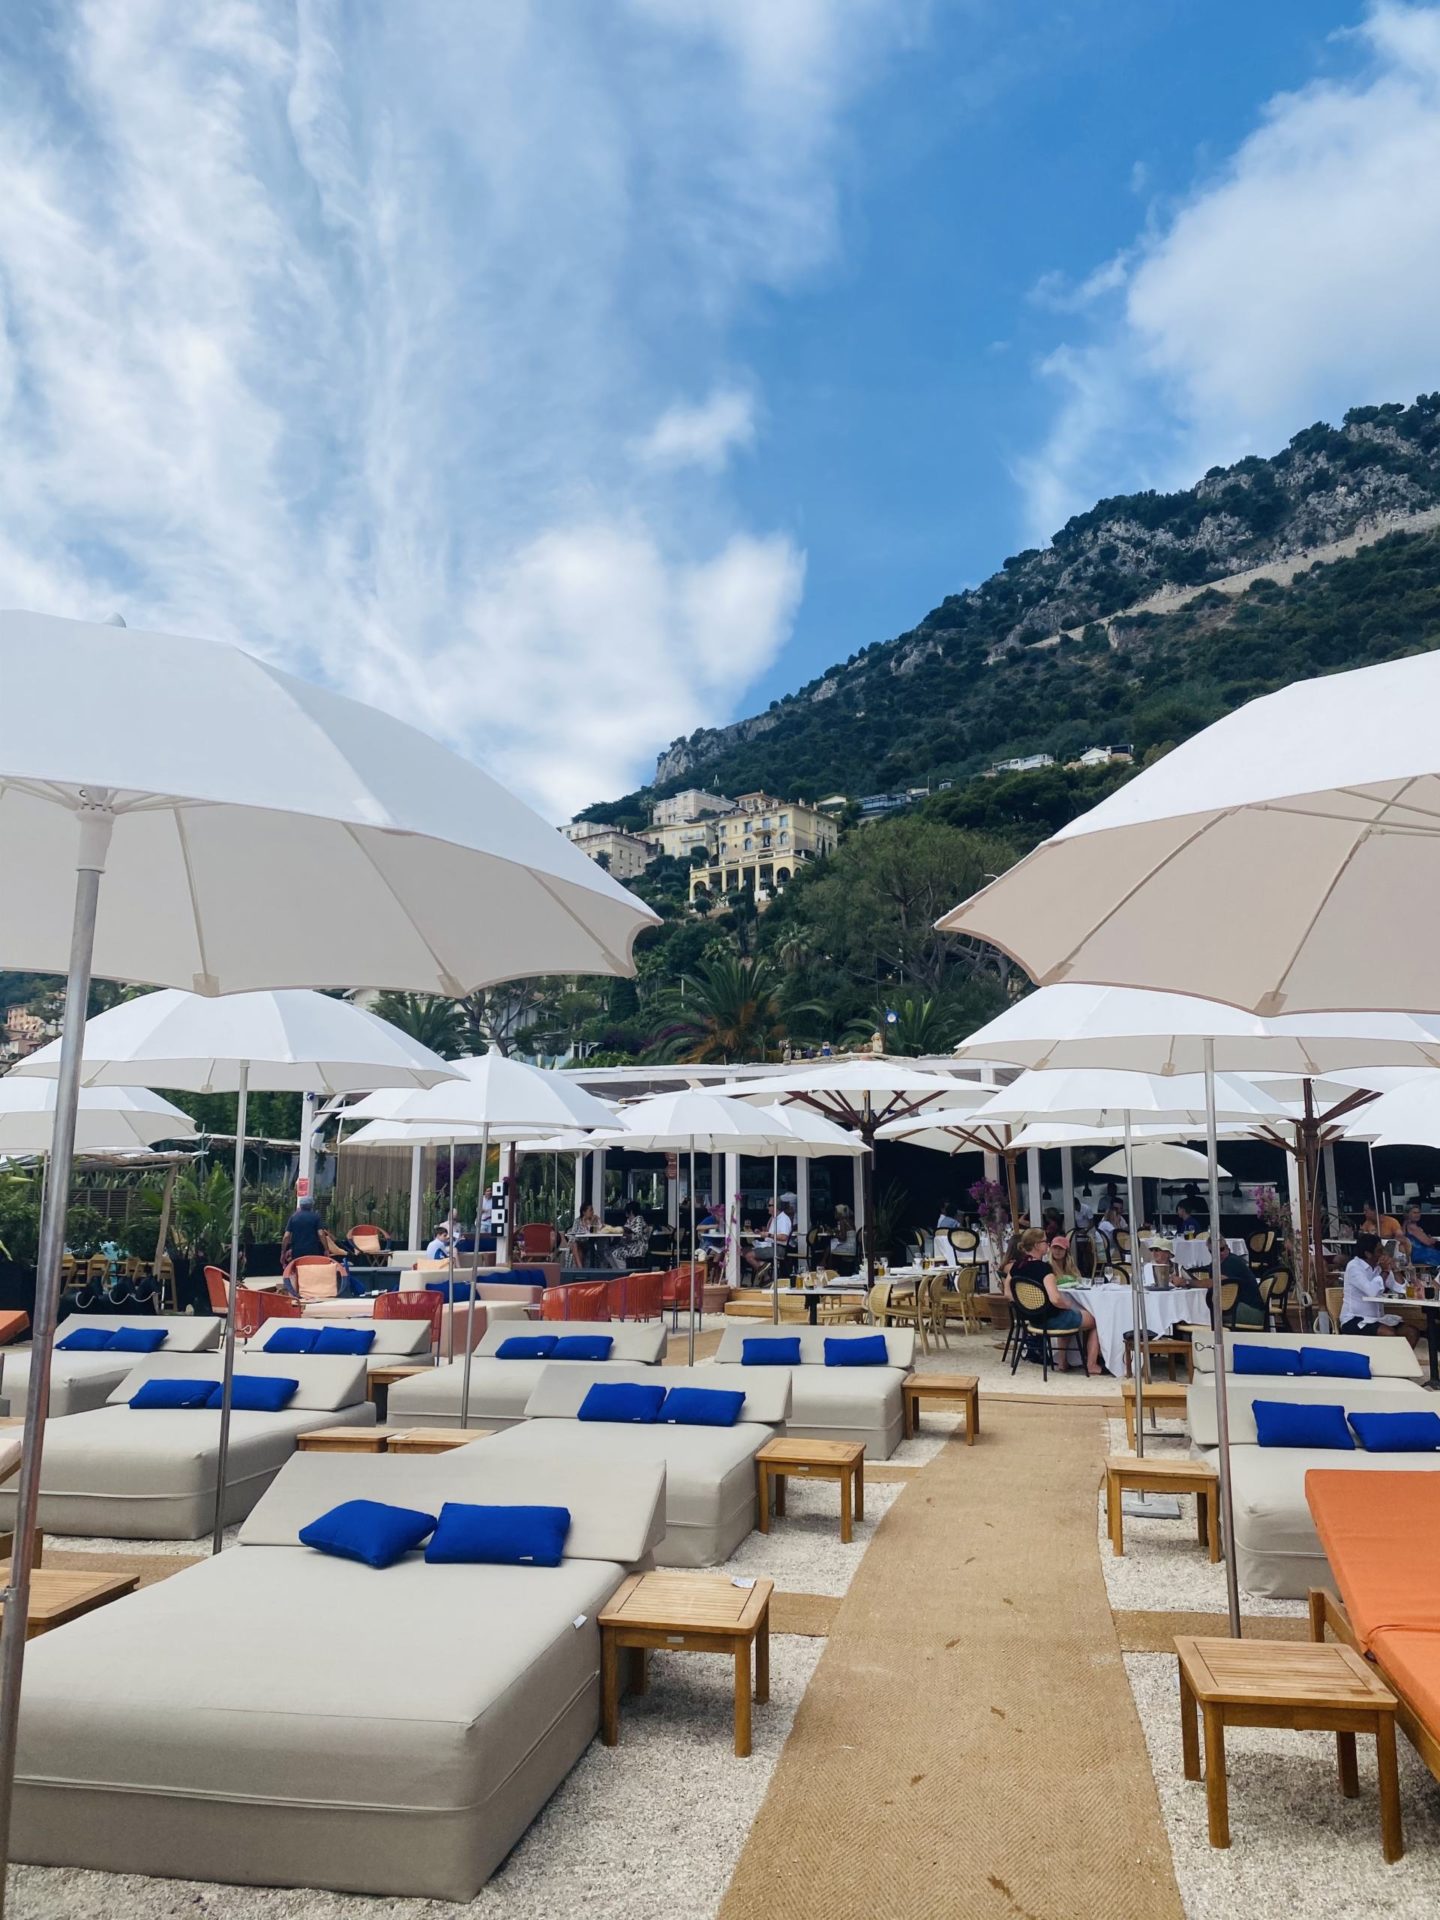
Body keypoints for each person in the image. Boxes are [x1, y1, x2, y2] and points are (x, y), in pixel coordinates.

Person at [1005, 1228, 1100, 1374]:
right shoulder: (1044, 1269)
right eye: (1045, 1241)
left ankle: (1063, 1362)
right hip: (1051, 1319)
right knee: (1096, 1320)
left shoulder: (1016, 1267)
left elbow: (1008, 1293)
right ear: (1037, 1245)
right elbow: (1055, 1299)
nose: (1048, 1245)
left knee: (1068, 1315)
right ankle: (1091, 1364)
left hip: (1032, 1319)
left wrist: (1027, 1305)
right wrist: (1068, 1305)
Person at [1340, 1232, 1414, 1341]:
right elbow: (1372, 1292)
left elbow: (1402, 1289)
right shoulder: (1354, 1267)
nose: (1384, 1253)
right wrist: (1385, 1271)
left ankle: (1395, 1354)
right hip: (1355, 1319)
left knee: (1411, 1332)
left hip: (1377, 1319)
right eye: (1380, 1251)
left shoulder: (1379, 1266)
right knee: (1388, 1333)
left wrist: (1395, 1269)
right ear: (1368, 1254)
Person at [281, 1197, 348, 1268]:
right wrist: (326, 1249)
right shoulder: (316, 1217)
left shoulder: (293, 1218)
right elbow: (321, 1234)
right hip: (312, 1250)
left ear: (300, 1206)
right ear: (311, 1206)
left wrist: (283, 1252)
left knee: (298, 1269)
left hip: (297, 1251)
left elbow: (286, 1236)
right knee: (312, 1269)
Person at [1214, 1245, 1266, 1330]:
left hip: (1253, 1312)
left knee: (1211, 1312)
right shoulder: (1231, 1260)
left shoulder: (1231, 1263)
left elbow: (1219, 1283)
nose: (1218, 1253)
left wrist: (1193, 1283)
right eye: (1212, 1251)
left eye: (1221, 1249)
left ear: (1227, 1248)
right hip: (1251, 1308)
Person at [744, 1198, 793, 1279]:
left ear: (776, 1207)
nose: (767, 1207)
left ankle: (766, 1276)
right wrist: (761, 1232)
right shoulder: (774, 1218)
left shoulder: (783, 1219)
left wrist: (768, 1235)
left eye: (769, 1205)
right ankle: (763, 1268)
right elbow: (771, 1233)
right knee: (744, 1250)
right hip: (770, 1245)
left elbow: (784, 1237)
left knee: (749, 1256)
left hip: (778, 1248)